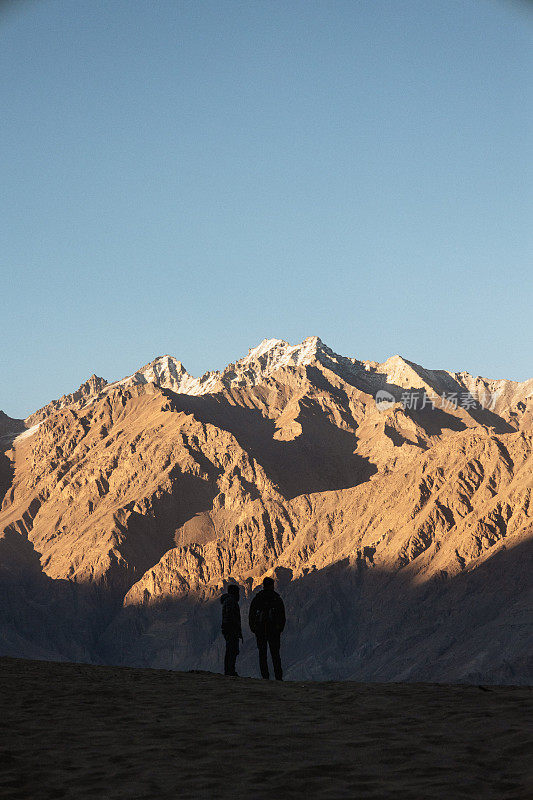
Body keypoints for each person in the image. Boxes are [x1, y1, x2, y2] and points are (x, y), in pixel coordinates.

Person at [249, 576, 286, 680]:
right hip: (274, 631)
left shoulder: (258, 598)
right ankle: (278, 677)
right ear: (272, 585)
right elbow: (282, 615)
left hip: (260, 631)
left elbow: (251, 614)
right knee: (275, 654)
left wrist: (254, 628)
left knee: (262, 654)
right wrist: (279, 629)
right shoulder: (276, 598)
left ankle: (265, 677)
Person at [220, 583, 243, 676]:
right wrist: (234, 628)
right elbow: (230, 617)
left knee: (231, 650)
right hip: (231, 630)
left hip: (229, 630)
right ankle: (230, 671)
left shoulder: (229, 601)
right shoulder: (231, 602)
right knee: (231, 650)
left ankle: (229, 670)